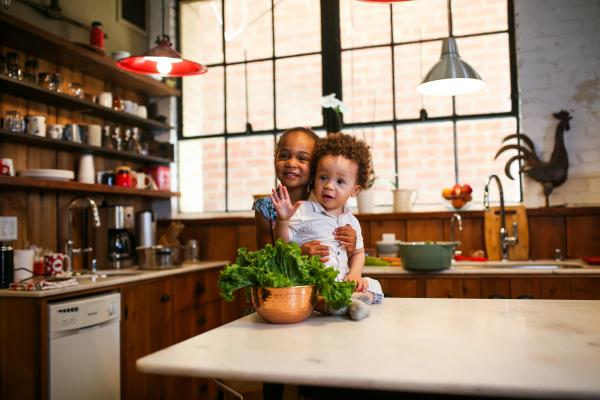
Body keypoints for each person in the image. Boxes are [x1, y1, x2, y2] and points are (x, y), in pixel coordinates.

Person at [270, 133, 384, 320]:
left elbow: (358, 252)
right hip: (315, 282)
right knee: (313, 295)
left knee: (372, 284)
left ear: (355, 190)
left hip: (343, 281)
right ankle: (341, 305)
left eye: (340, 182)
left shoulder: (351, 221)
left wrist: (355, 274)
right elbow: (282, 245)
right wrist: (283, 221)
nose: (329, 186)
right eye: (323, 178)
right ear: (314, 178)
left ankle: (354, 300)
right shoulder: (303, 210)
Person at [253, 127, 356, 260]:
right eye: (283, 156)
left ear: (316, 166)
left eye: (302, 158)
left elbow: (342, 249)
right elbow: (265, 260)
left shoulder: (327, 200)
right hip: (288, 281)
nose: (291, 163)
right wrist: (298, 253)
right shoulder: (266, 208)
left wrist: (352, 242)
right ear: (275, 159)